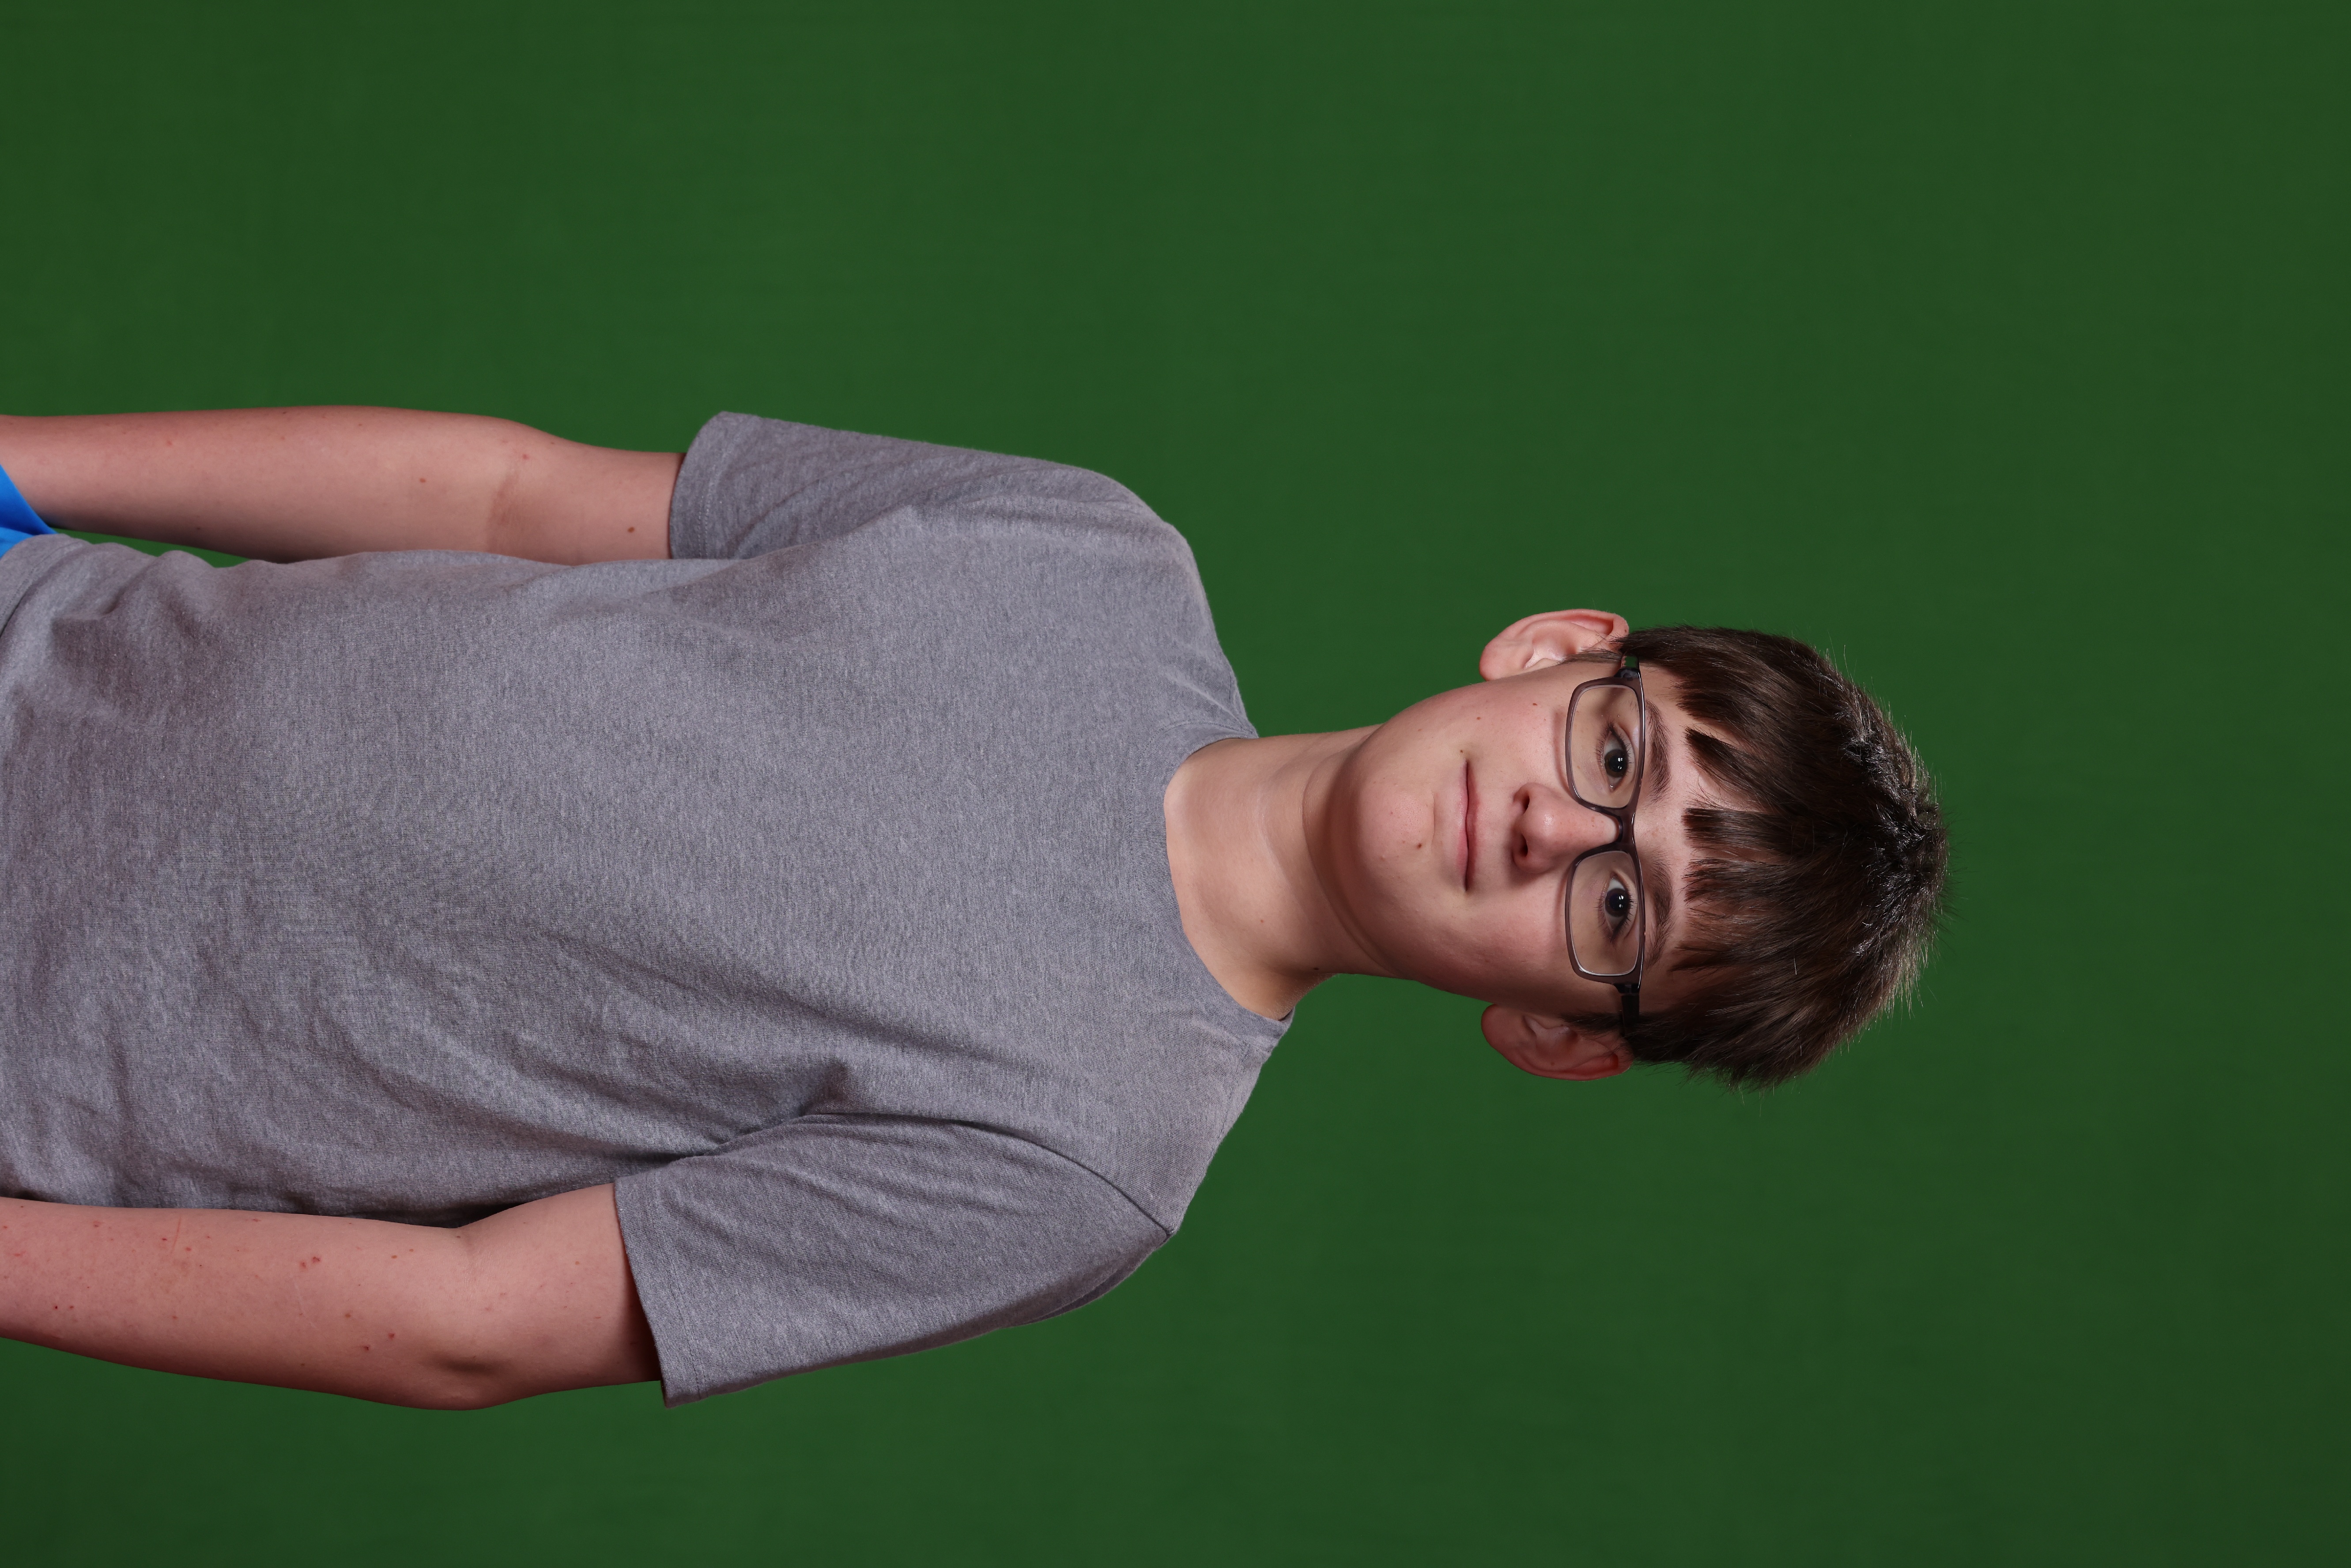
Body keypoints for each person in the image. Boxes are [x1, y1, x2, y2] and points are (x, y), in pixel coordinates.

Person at [0, 406, 1946, 1409]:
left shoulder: (1089, 1160)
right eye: (1614, 754)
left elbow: (472, 1321)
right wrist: (17, 464)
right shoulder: (1084, 551)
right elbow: (511, 494)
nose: (1545, 829)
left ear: (1556, 1035)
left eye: (1614, 911)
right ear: (1560, 649)